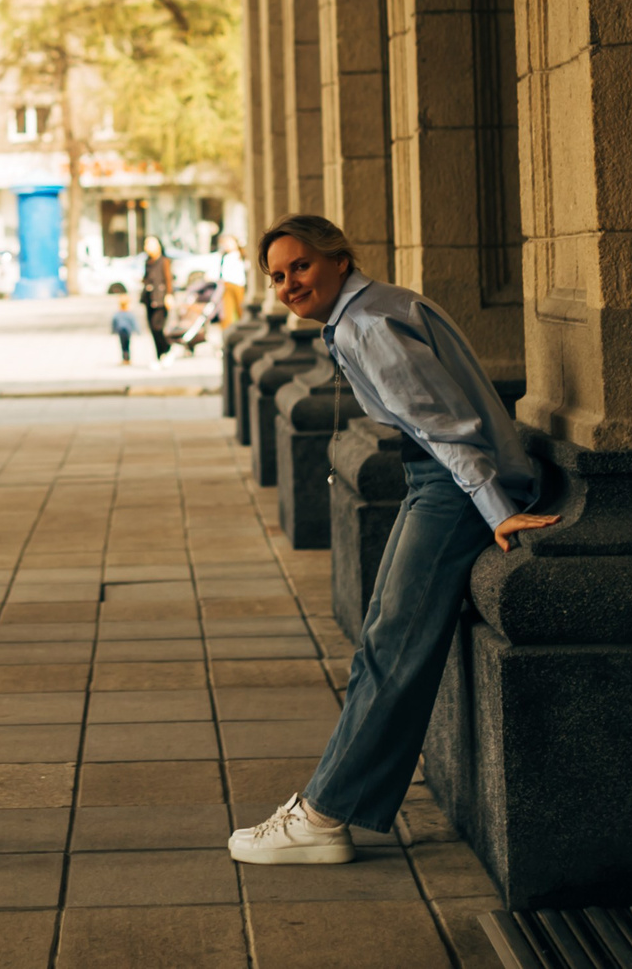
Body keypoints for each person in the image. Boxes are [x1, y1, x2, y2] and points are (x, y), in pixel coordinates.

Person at [226, 213, 556, 865]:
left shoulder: (368, 324)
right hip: (435, 479)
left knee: (391, 648)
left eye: (300, 266)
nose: (289, 284)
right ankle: (327, 807)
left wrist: (495, 507)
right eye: (277, 276)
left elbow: (445, 425)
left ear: (339, 259)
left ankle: (323, 816)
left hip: (452, 486)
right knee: (382, 638)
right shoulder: (373, 309)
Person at [139, 235, 175, 361]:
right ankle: (160, 356)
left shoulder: (164, 261)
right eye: (146, 244)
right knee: (152, 329)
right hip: (149, 298)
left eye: (150, 244)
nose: (147, 247)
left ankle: (167, 349)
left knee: (157, 327)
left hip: (161, 299)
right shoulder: (148, 262)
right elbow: (147, 278)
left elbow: (168, 279)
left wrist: (169, 295)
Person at [216, 233, 249, 327]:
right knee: (227, 310)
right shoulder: (224, 256)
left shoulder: (241, 255)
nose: (227, 245)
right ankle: (226, 328)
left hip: (239, 285)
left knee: (241, 308)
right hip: (227, 284)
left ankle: (243, 326)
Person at [110, 294, 140, 364]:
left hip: (122, 331)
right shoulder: (129, 314)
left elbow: (114, 323)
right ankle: (126, 358)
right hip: (127, 331)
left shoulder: (118, 314)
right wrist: (137, 331)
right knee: (126, 345)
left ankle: (126, 358)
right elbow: (134, 323)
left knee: (123, 345)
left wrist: (113, 330)